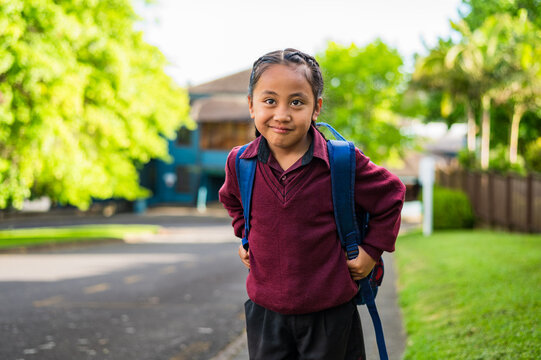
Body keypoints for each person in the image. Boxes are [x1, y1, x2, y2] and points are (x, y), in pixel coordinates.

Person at [219, 48, 405, 360]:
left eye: (296, 102)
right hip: (266, 316)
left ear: (315, 108)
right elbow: (232, 200)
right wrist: (246, 236)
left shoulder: (342, 161)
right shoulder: (240, 162)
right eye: (269, 101)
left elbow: (392, 195)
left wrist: (371, 251)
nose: (282, 113)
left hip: (330, 314)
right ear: (251, 105)